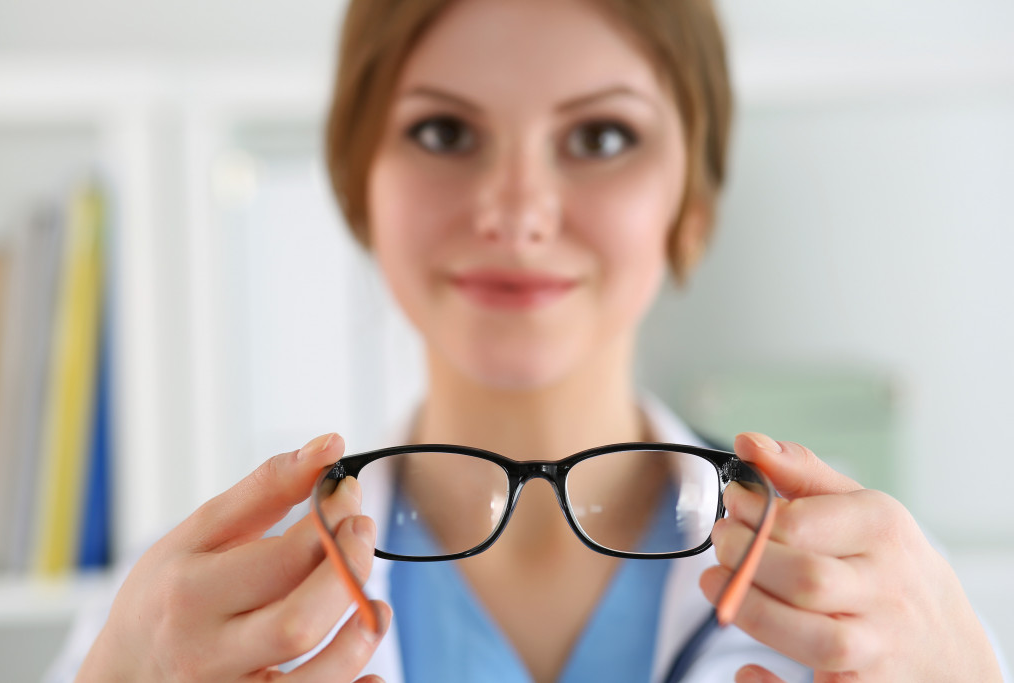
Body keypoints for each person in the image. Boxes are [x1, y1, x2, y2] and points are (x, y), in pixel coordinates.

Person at [56, 0, 1008, 681]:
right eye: (442, 132)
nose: (515, 211)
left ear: (694, 198)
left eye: (598, 137)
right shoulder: (172, 625)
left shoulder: (888, 619)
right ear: (356, 183)